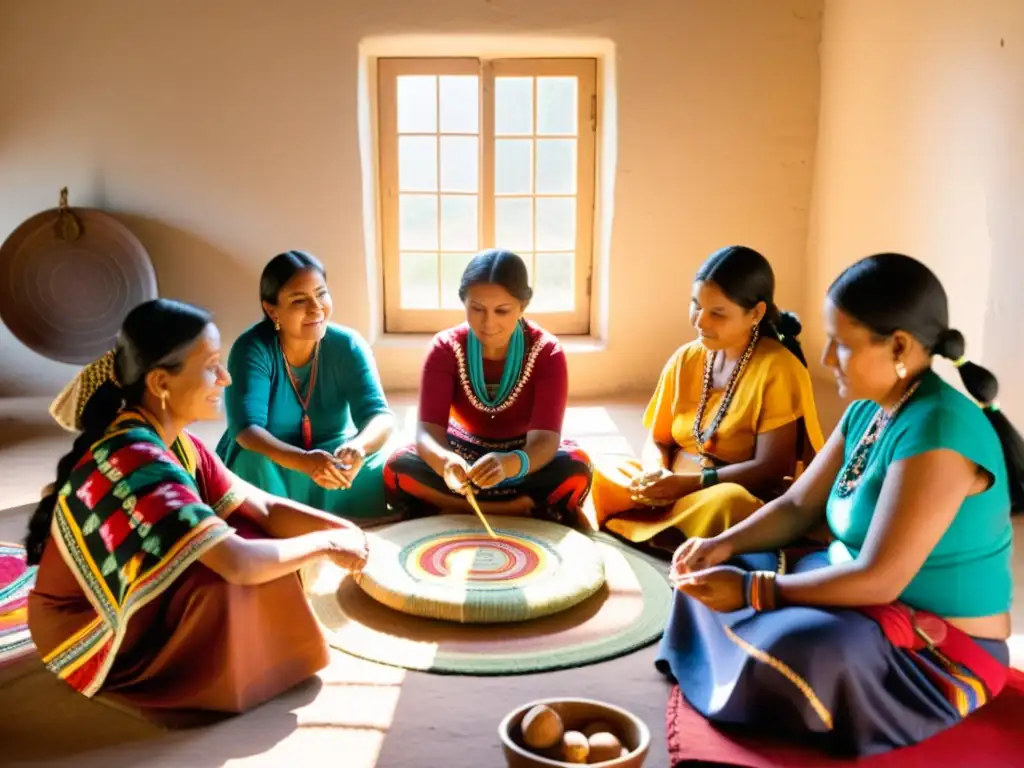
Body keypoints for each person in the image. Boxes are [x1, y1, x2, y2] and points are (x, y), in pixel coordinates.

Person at [659, 253, 1022, 757]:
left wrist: (752, 591)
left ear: (898, 345)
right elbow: (796, 506)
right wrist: (720, 547)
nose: (827, 358)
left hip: (932, 645)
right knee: (715, 571)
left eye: (841, 344)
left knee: (811, 645)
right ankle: (750, 661)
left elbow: (879, 579)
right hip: (861, 594)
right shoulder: (869, 410)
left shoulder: (939, 430)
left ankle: (757, 664)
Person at [27, 298, 369, 713]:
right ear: (160, 383)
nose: (225, 379)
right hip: (85, 630)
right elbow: (240, 563)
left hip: (126, 597)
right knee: (237, 578)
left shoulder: (176, 443)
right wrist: (326, 547)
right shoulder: (136, 460)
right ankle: (214, 682)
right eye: (211, 366)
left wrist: (341, 530)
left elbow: (261, 508)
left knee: (255, 535)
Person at [589, 246, 823, 551]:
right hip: (674, 485)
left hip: (726, 492)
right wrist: (655, 474)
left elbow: (773, 469)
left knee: (729, 504)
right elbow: (659, 439)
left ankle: (669, 535)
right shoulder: (686, 358)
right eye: (695, 305)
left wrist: (691, 484)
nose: (700, 321)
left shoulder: (778, 368)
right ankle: (672, 533)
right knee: (603, 471)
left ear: (756, 313)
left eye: (717, 313)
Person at [383, 249, 592, 524]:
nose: (488, 323)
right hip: (460, 454)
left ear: (523, 306)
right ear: (464, 302)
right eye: (477, 309)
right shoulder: (446, 347)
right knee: (397, 466)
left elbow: (545, 441)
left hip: (523, 455)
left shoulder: (546, 351)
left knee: (576, 468)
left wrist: (510, 464)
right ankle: (518, 509)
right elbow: (427, 432)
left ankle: (454, 507)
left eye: (502, 310)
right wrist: (446, 463)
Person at [216, 251, 396, 521]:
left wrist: (358, 447)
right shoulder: (252, 348)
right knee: (252, 462)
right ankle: (279, 526)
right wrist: (303, 461)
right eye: (299, 300)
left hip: (329, 457)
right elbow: (246, 431)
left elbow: (380, 417)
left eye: (321, 294)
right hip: (272, 460)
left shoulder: (347, 344)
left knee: (382, 458)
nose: (316, 307)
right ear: (271, 309)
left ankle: (340, 519)